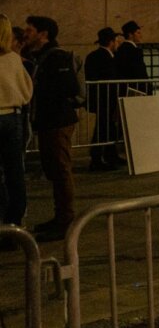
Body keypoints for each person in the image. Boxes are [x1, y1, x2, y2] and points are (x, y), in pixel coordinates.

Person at [25, 16, 84, 241]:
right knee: (53, 169)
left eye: (30, 30)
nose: (26, 34)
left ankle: (66, 220)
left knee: (61, 169)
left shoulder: (56, 56)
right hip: (48, 121)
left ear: (43, 34)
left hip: (58, 122)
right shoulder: (38, 57)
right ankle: (60, 216)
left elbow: (67, 88)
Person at [0, 17, 33, 232]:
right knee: (15, 170)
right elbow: (26, 90)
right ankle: (15, 220)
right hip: (12, 117)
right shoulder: (13, 59)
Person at [85, 27, 123, 171]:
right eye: (116, 41)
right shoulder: (105, 58)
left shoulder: (94, 56)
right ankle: (97, 159)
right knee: (103, 129)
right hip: (105, 99)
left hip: (101, 99)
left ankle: (110, 155)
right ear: (111, 42)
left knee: (107, 128)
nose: (117, 44)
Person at [116, 20, 148, 92]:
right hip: (136, 89)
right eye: (138, 33)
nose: (141, 35)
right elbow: (140, 72)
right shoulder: (135, 51)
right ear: (130, 34)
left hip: (123, 88)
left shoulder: (120, 49)